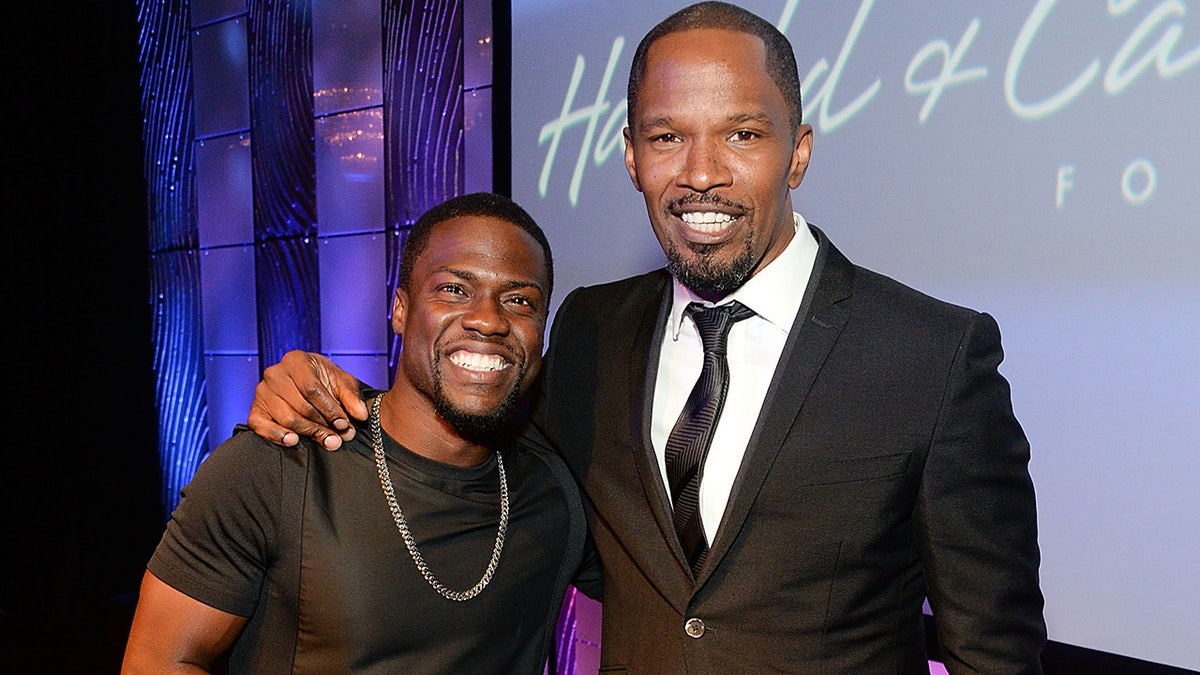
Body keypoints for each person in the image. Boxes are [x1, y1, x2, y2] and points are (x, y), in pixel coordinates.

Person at [246, 2, 1047, 672]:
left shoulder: (933, 355)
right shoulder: (594, 326)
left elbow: (995, 652)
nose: (701, 172)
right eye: (667, 136)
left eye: (742, 134)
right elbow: (480, 457)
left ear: (797, 152)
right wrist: (331, 398)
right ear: (631, 157)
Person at [121, 193, 598, 674]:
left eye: (519, 301)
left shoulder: (554, 494)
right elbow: (161, 661)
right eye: (454, 289)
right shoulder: (279, 465)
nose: (488, 319)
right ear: (400, 309)